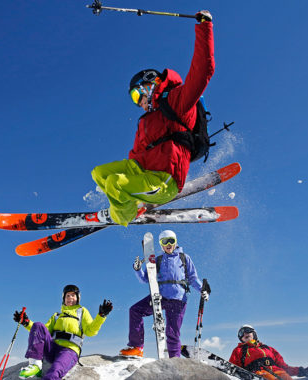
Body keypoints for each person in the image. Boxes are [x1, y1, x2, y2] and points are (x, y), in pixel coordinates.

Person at [91, 10, 215, 227]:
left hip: (165, 181)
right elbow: (137, 155)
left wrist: (204, 27)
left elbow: (203, 70)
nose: (138, 102)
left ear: (151, 83)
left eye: (137, 95)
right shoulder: (147, 120)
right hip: (142, 171)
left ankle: (124, 215)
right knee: (100, 173)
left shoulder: (177, 101)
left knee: (115, 184)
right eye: (133, 99)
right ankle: (130, 201)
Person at [119, 230, 211, 358]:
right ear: (161, 244)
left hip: (178, 299)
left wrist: (203, 290)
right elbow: (145, 279)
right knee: (135, 310)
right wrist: (138, 269)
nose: (168, 244)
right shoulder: (158, 260)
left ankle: (175, 360)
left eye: (171, 241)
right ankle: (137, 347)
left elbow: (193, 278)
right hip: (160, 297)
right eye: (164, 241)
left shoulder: (184, 258)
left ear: (175, 242)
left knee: (172, 332)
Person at [13, 284, 113, 379]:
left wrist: (101, 316)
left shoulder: (81, 312)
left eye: (73, 295)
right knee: (38, 325)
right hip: (52, 349)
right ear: (63, 298)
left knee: (54, 373)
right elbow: (42, 332)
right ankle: (35, 365)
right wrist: (26, 323)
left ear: (78, 298)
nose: (70, 298)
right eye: (67, 295)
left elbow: (90, 331)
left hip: (69, 350)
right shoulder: (56, 316)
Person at [229, 325, 308, 380]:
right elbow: (232, 367)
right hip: (258, 374)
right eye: (241, 333)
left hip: (279, 372)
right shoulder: (239, 350)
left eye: (247, 330)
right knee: (270, 377)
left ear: (254, 334)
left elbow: (283, 366)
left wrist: (300, 371)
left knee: (285, 376)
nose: (244, 333)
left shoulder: (269, 349)